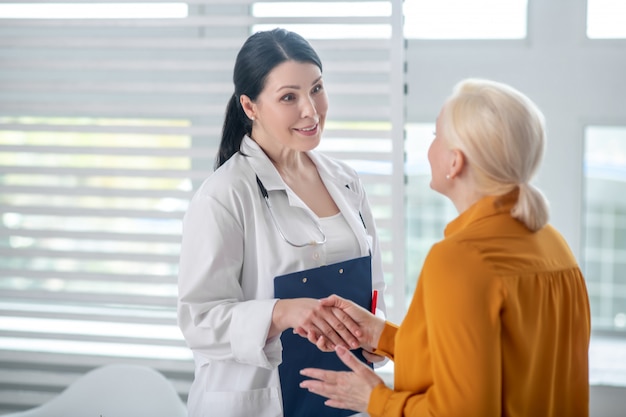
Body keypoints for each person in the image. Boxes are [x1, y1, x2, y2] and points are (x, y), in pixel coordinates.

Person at [299, 78, 591, 417]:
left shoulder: (459, 260)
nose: (430, 148)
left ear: (455, 162)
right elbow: (494, 363)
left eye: (436, 135)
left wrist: (375, 400)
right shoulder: (554, 246)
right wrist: (382, 336)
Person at [176, 28, 387, 417]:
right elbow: (199, 321)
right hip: (257, 403)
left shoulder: (346, 181)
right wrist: (281, 312)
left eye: (317, 88)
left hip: (341, 401)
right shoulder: (224, 195)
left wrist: (378, 337)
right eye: (289, 96)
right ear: (250, 106)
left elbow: (373, 289)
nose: (310, 109)